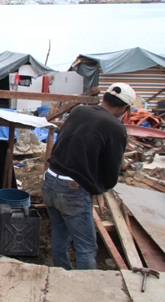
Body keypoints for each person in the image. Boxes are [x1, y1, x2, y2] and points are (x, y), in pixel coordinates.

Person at [42, 82, 135, 270]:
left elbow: (67, 143)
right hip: (73, 190)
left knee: (60, 238)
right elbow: (111, 173)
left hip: (50, 180)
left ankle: (61, 278)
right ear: (125, 107)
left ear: (105, 98)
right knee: (86, 248)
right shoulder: (116, 128)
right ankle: (87, 289)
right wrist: (101, 186)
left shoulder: (79, 111)